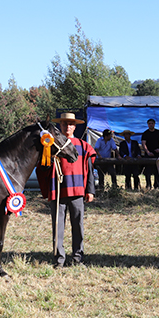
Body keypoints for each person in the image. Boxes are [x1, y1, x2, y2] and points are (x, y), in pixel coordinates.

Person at [37, 113, 96, 268]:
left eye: (70, 124)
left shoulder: (84, 146)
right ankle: (59, 259)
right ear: (60, 126)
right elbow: (42, 167)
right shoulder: (51, 145)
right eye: (64, 124)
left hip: (77, 191)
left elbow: (89, 170)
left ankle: (78, 258)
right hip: (57, 191)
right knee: (58, 227)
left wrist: (90, 190)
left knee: (78, 226)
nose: (67, 127)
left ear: (75, 127)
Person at [141, 118, 159, 189]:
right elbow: (143, 143)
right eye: (149, 124)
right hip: (148, 154)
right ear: (148, 125)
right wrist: (148, 152)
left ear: (154, 124)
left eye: (152, 123)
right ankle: (148, 185)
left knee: (158, 171)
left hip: (157, 154)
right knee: (147, 171)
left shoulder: (158, 132)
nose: (151, 125)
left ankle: (157, 185)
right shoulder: (145, 133)